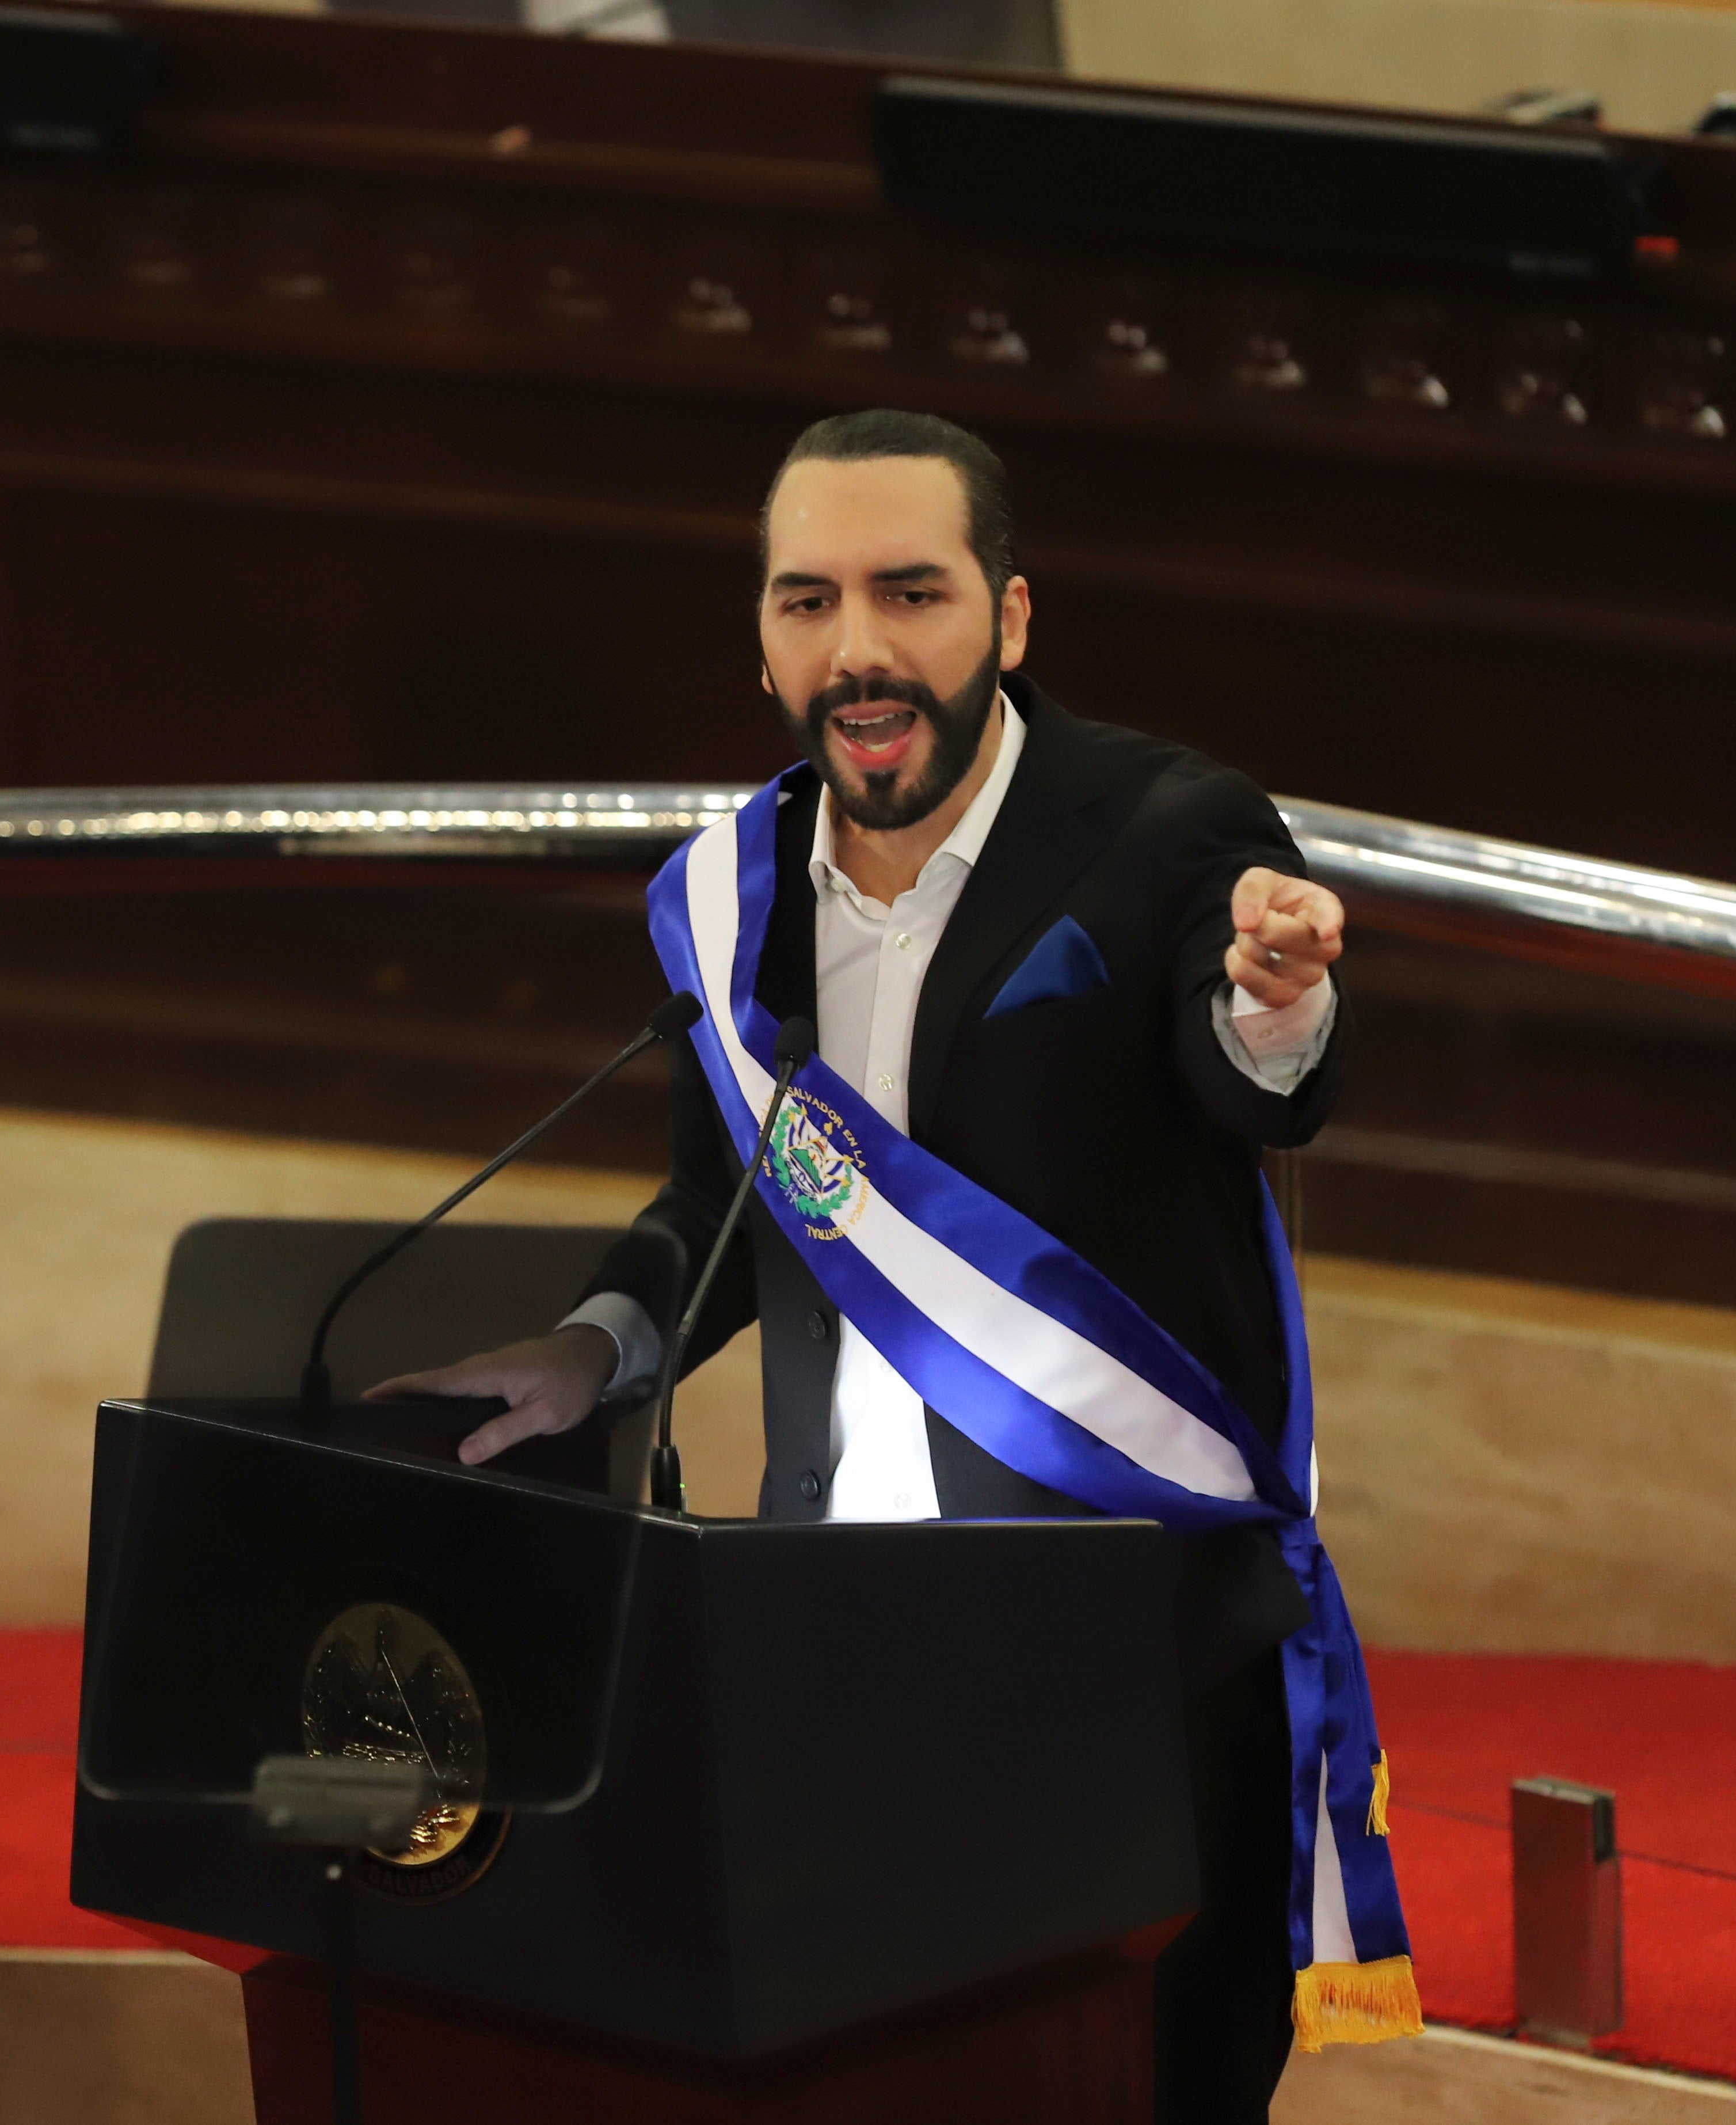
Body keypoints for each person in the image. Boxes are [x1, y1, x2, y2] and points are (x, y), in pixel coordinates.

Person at [377, 408, 1416, 2123]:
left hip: (1121, 1665)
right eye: (808, 601)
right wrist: (603, 1339)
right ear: (764, 636)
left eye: (910, 593)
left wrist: (1279, 998)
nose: (857, 650)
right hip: (829, 1650)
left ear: (1009, 617)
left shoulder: (1163, 824)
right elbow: (730, 1198)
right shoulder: (739, 892)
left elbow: (1252, 1076)